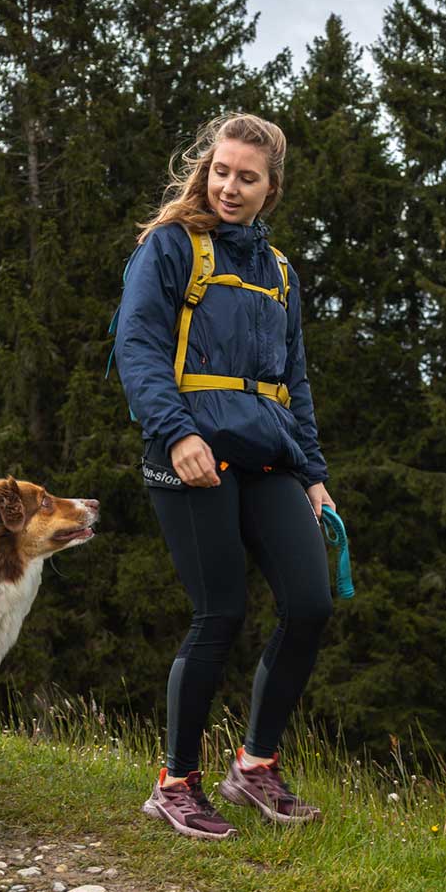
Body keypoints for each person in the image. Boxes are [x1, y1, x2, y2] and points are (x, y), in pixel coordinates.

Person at [115, 112, 335, 841]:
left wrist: (312, 475)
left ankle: (255, 766)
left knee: (310, 605)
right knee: (221, 613)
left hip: (268, 453)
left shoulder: (280, 273)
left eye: (247, 177)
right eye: (220, 171)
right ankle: (175, 784)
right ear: (205, 170)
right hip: (189, 452)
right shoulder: (171, 246)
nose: (229, 187)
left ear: (271, 189)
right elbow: (138, 346)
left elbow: (294, 380)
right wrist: (176, 433)